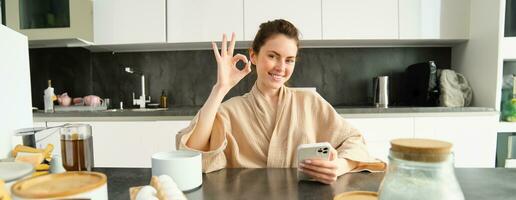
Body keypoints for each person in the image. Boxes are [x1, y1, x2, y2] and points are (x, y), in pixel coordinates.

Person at [177, 19, 385, 184]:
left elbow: (354, 141)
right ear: (254, 56)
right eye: (273, 56)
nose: (281, 67)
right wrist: (220, 88)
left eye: (289, 60)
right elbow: (193, 154)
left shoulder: (310, 102)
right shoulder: (230, 110)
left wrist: (340, 166)